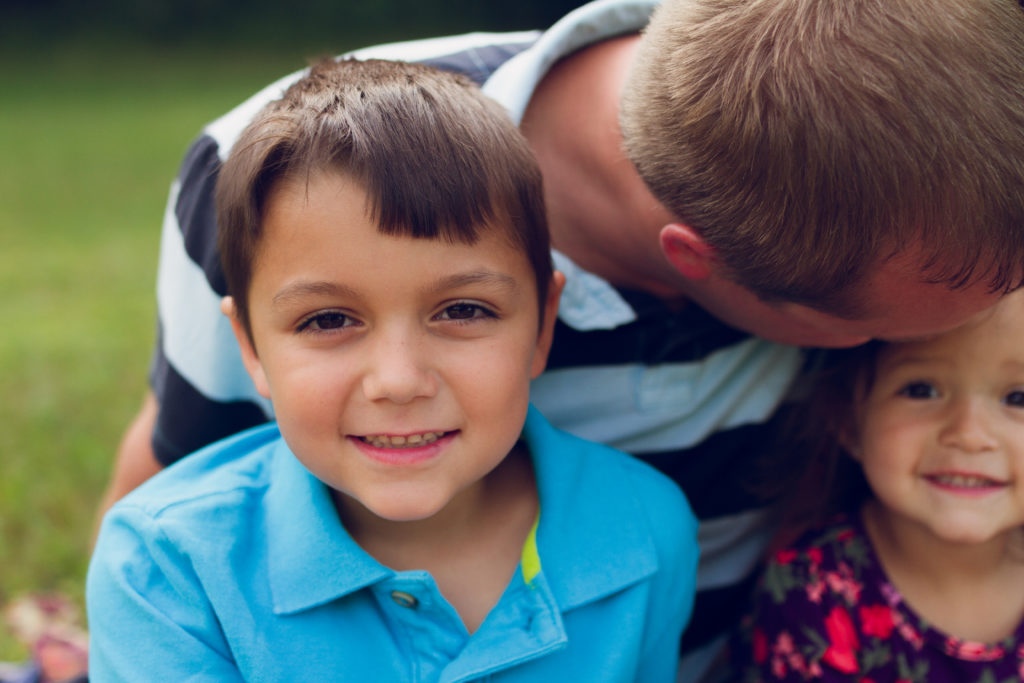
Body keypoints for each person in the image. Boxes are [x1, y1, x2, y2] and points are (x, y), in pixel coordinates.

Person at [99, 0, 1024, 678]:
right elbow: (186, 487)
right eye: (874, 339)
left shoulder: (928, 161)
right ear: (697, 266)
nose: (398, 377)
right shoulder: (282, 175)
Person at [87, 58, 698, 681]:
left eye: (463, 310)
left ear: (542, 325)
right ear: (250, 347)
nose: (400, 381)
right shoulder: (164, 571)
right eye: (327, 321)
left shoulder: (645, 531)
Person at [730, 289, 1024, 681]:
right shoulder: (811, 593)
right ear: (850, 422)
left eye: (1018, 397)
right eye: (921, 390)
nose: (969, 435)